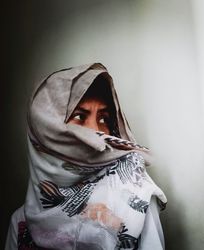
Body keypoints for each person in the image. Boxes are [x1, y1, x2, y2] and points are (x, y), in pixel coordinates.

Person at [5, 63, 167, 249]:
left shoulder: (136, 197)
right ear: (46, 129)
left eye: (104, 119)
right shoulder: (21, 222)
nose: (95, 131)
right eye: (80, 117)